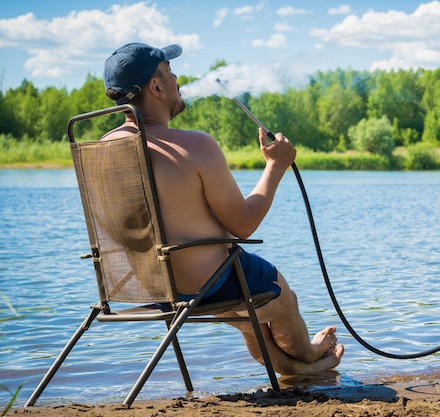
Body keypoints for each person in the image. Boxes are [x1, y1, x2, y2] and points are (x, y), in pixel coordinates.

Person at [102, 42, 343, 375]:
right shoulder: (196, 145)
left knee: (246, 317)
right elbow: (244, 225)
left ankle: (302, 370)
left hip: (149, 287)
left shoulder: (104, 149)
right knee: (283, 300)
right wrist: (276, 166)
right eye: (169, 72)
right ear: (156, 87)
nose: (177, 78)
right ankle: (311, 355)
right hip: (207, 284)